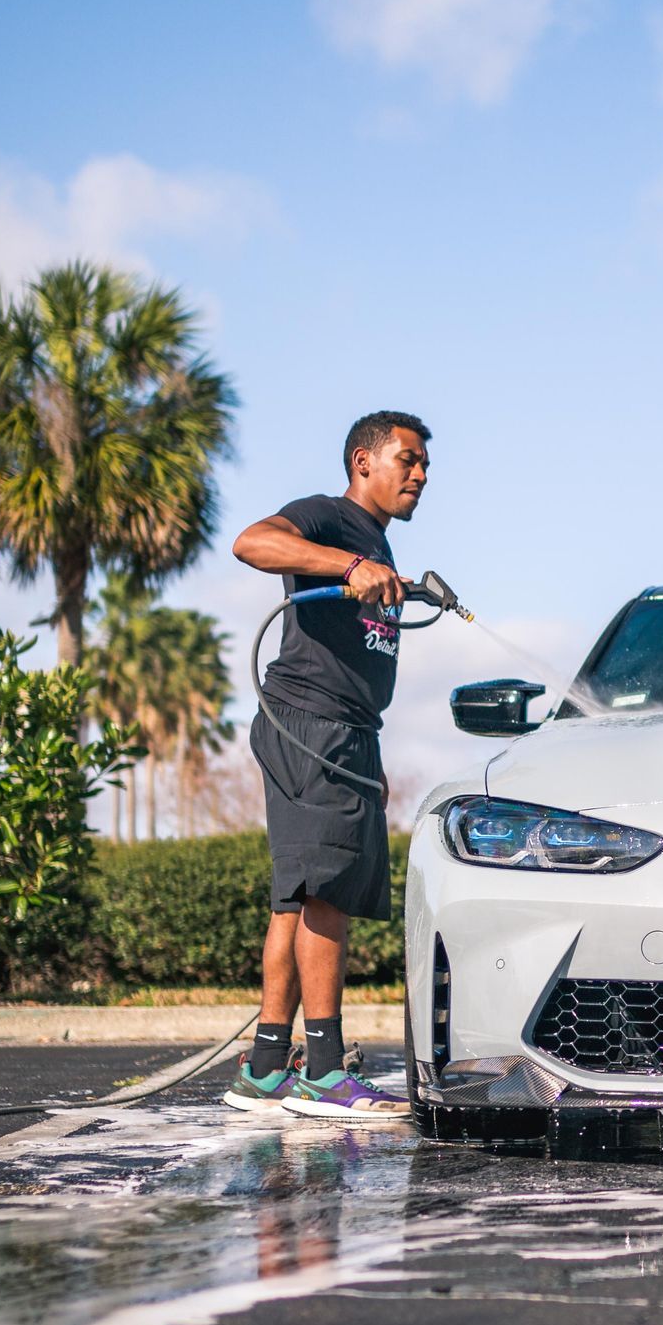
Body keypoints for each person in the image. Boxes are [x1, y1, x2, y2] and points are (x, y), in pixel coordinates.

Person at [223, 410, 434, 1117]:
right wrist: (350, 565)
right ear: (362, 461)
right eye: (407, 460)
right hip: (311, 724)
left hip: (344, 733)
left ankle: (263, 1068)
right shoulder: (333, 520)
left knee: (300, 898)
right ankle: (321, 1071)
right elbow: (253, 543)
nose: (420, 475)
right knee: (327, 895)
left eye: (425, 466)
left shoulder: (375, 543)